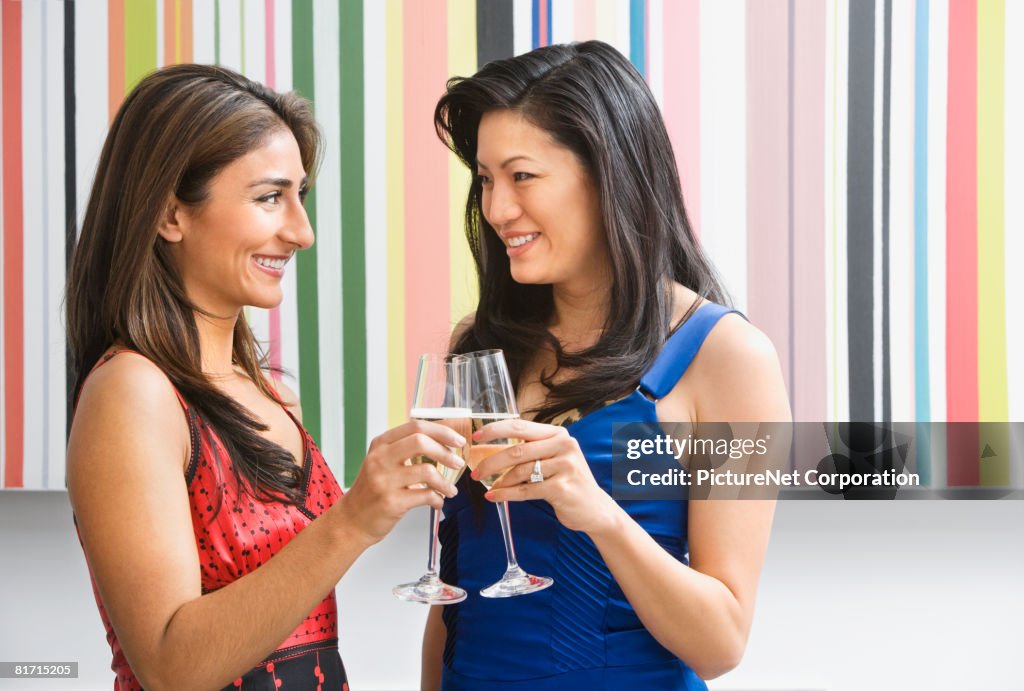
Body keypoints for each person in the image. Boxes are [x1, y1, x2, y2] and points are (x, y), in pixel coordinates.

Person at [65, 64, 464, 691]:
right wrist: (355, 518)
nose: (301, 232)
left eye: (300, 196)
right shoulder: (134, 391)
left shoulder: (272, 393)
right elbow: (171, 667)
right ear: (171, 213)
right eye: (269, 197)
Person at [422, 41, 791, 690]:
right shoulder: (479, 346)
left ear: (607, 173)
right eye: (484, 179)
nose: (497, 209)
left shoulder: (727, 359)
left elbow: (721, 641)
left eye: (522, 176)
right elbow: (454, 597)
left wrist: (599, 511)